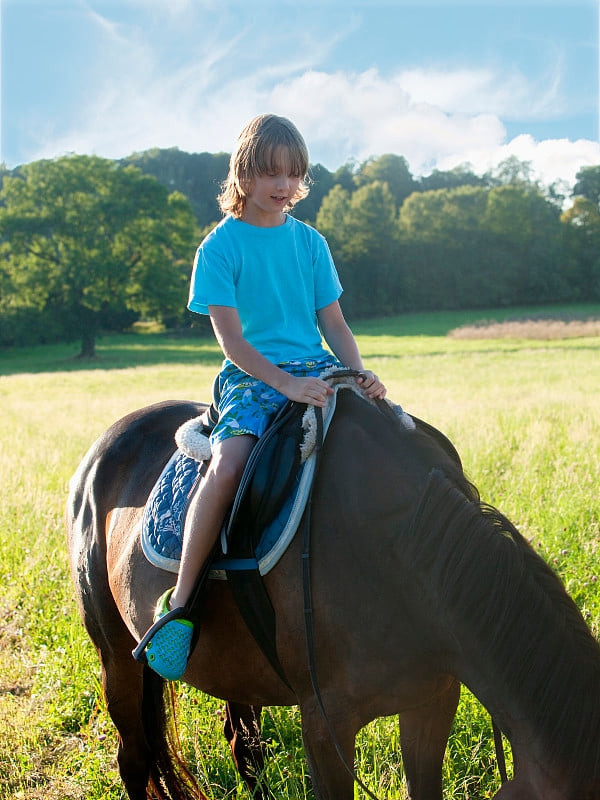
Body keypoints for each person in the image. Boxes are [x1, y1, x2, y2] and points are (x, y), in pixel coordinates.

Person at [142, 114, 386, 680]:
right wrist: (286, 385)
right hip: (252, 376)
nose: (283, 185)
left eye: (293, 174)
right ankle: (180, 605)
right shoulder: (220, 247)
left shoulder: (309, 242)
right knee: (228, 464)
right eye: (270, 172)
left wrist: (359, 374)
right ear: (244, 173)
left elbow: (336, 325)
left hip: (317, 366)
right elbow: (232, 343)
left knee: (384, 437)